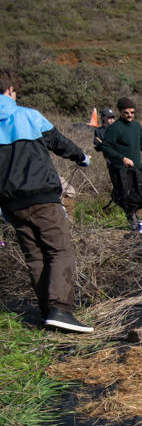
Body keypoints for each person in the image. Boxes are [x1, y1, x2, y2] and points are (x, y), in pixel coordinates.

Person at [0, 69, 93, 333]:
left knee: (35, 256)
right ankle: (61, 309)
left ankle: (47, 313)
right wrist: (82, 158)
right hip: (42, 197)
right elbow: (59, 143)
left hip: (11, 205)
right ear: (10, 90)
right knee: (59, 250)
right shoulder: (28, 115)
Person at [98, 97, 142, 229]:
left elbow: (139, 144)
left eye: (132, 112)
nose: (130, 115)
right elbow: (105, 147)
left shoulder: (136, 126)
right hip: (122, 170)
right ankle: (136, 225)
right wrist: (122, 158)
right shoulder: (115, 128)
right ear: (120, 112)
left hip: (139, 167)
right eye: (126, 112)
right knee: (129, 200)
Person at [92, 108, 121, 204]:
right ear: (103, 118)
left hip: (122, 160)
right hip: (111, 162)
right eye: (109, 118)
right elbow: (97, 146)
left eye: (113, 118)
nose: (112, 120)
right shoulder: (99, 131)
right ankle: (118, 203)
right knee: (116, 183)